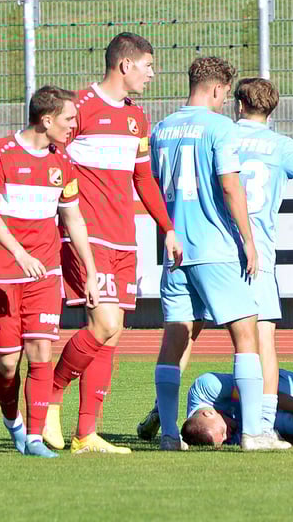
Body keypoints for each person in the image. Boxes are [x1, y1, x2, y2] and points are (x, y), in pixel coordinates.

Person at [135, 77, 293, 445]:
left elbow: (150, 181)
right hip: (236, 249)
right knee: (256, 337)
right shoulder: (260, 141)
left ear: (240, 104)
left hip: (177, 246)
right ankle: (259, 426)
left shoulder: (166, 127)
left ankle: (164, 419)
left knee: (182, 334)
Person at [44, 32, 182, 455]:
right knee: (103, 326)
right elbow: (50, 160)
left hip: (124, 240)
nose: (152, 74)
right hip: (88, 236)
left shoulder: (137, 118)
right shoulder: (78, 108)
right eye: (147, 66)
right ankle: (48, 395)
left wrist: (168, 228)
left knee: (112, 334)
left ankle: (86, 434)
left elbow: (143, 179)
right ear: (125, 65)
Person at [0, 85, 100, 458]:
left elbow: (74, 219)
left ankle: (33, 438)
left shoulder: (62, 163)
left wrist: (90, 272)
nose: (73, 125)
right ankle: (12, 420)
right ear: (46, 120)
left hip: (45, 272)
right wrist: (18, 254)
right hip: (1, 272)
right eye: (68, 119)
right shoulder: (0, 153)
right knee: (8, 362)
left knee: (41, 350)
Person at [181, 369, 293, 447]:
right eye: (223, 440)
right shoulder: (203, 431)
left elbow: (268, 395)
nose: (227, 437)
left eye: (223, 432)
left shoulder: (207, 387)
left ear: (208, 413)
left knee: (262, 412)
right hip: (275, 413)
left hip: (289, 388)